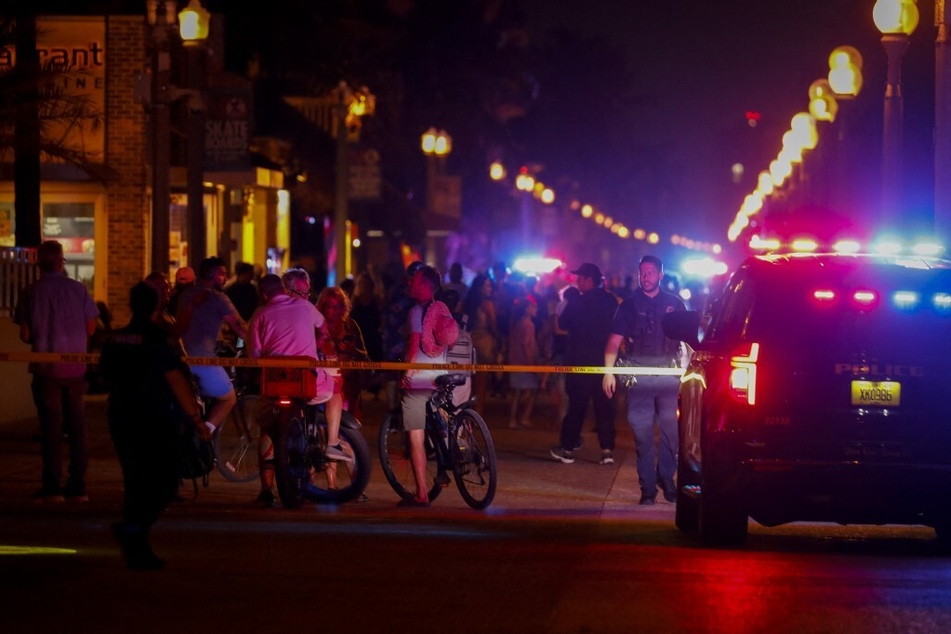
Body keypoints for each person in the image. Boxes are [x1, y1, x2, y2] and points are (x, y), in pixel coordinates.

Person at [99, 282, 211, 570]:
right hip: (154, 419)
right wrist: (197, 421)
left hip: (121, 417)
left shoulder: (115, 339)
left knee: (134, 481)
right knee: (164, 482)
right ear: (155, 306)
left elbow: (102, 377)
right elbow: (176, 380)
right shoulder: (157, 339)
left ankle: (137, 544)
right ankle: (134, 532)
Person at [246, 273, 348, 506]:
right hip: (305, 380)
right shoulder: (306, 307)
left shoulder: (260, 315)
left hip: (274, 381)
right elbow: (323, 331)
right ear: (285, 289)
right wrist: (315, 344)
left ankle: (266, 490)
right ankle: (331, 443)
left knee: (266, 428)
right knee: (334, 390)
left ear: (263, 294)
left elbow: (254, 355)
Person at [13, 240, 100, 503]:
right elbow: (91, 328)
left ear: (39, 262)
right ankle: (78, 486)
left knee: (50, 428)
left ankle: (52, 486)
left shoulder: (30, 292)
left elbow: (26, 335)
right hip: (74, 368)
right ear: (62, 260)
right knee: (77, 427)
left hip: (45, 369)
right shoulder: (78, 289)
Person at [603, 255, 686, 505]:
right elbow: (613, 341)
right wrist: (608, 372)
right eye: (642, 272)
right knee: (642, 435)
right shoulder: (628, 305)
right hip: (638, 375)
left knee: (672, 431)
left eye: (651, 272)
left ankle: (667, 478)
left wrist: (692, 371)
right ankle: (648, 489)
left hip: (668, 377)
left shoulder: (675, 304)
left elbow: (688, 341)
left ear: (661, 275)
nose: (646, 276)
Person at [399, 265, 458, 508]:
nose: (410, 283)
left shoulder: (415, 312)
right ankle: (450, 455)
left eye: (415, 280)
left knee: (415, 435)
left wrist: (407, 371)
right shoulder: (442, 312)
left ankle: (422, 493)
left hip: (419, 381)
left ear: (425, 285)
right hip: (440, 377)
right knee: (441, 418)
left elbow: (414, 342)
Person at [551, 263, 619, 465]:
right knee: (605, 408)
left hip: (580, 363)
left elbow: (562, 324)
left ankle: (568, 449)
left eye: (580, 278)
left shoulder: (578, 301)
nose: (577, 282)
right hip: (605, 363)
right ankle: (607, 451)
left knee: (576, 408)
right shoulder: (610, 301)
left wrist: (570, 301)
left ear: (590, 280)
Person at [176, 256, 248, 434]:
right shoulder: (218, 298)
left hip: (181, 359)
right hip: (203, 361)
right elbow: (240, 328)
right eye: (222, 274)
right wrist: (251, 345)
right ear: (210, 274)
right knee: (228, 398)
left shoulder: (185, 295)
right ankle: (206, 432)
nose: (226, 278)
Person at [316, 286, 370, 419]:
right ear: (322, 307)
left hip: (346, 388)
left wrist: (351, 350)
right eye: (330, 306)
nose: (334, 310)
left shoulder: (350, 326)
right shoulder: (315, 327)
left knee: (347, 432)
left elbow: (365, 359)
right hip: (320, 386)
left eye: (339, 305)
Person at [381, 260, 425, 409]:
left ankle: (395, 411)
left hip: (400, 339)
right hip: (402, 340)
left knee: (396, 374)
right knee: (399, 374)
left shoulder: (397, 290)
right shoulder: (413, 293)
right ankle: (397, 411)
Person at [461, 273, 498, 410]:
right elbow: (493, 325)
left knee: (467, 381)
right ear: (481, 287)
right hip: (483, 341)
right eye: (487, 285)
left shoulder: (466, 303)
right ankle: (478, 415)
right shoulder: (487, 304)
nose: (490, 288)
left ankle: (465, 413)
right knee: (481, 383)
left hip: (467, 341)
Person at [507, 295, 540, 428]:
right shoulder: (528, 325)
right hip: (524, 362)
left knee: (516, 392)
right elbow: (526, 345)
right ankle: (524, 418)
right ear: (528, 309)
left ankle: (513, 419)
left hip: (514, 361)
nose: (536, 309)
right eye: (534, 306)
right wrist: (531, 363)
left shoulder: (517, 323)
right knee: (530, 391)